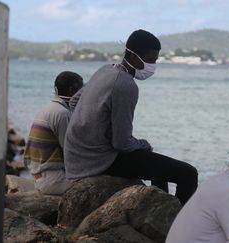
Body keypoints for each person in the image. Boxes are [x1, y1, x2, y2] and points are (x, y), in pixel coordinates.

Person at [63, 29, 198, 205]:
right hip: (98, 160)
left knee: (158, 168)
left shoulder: (105, 70)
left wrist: (92, 129)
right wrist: (143, 144)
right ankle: (178, 227)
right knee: (188, 174)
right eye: (151, 60)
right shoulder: (125, 85)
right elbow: (122, 143)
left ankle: (162, 211)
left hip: (76, 155)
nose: (153, 66)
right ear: (134, 57)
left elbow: (73, 102)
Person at [24, 71, 83, 195]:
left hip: (39, 175)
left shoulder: (49, 108)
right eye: (81, 89)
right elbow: (70, 151)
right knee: (94, 183)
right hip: (52, 180)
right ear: (72, 90)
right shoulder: (63, 113)